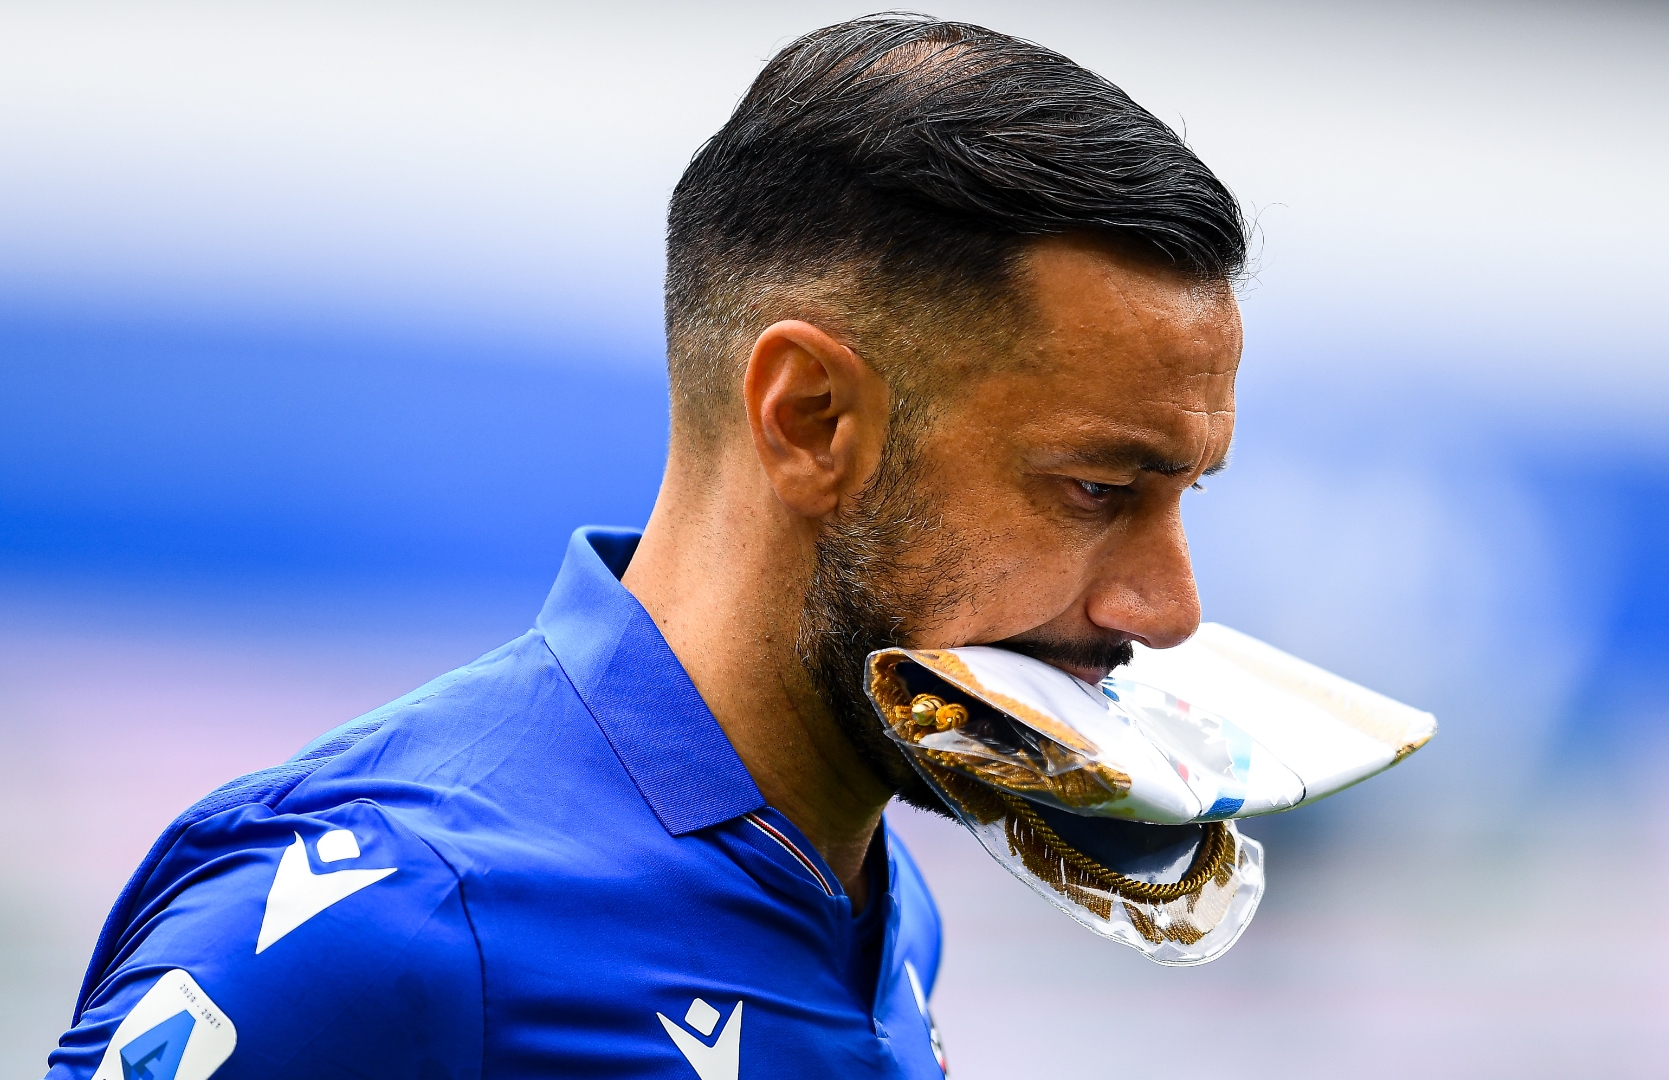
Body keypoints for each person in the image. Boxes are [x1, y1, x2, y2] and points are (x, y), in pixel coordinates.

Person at [46, 14, 1245, 1080]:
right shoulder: (391, 922)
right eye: (1097, 489)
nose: (1171, 606)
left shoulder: (876, 896)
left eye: (1186, 493)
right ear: (810, 420)